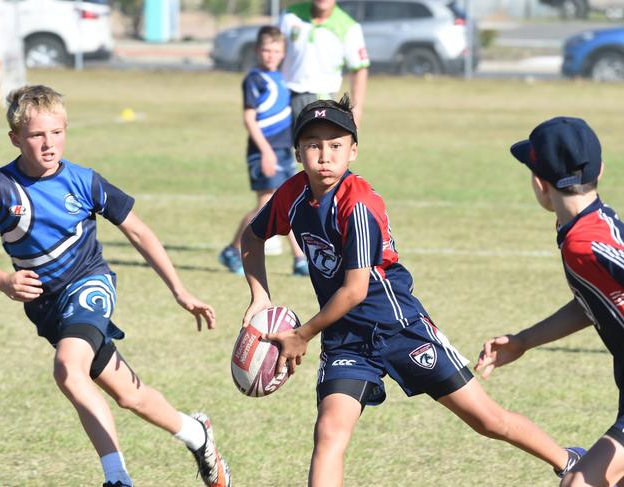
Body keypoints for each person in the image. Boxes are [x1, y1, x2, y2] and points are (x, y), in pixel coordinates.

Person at [239, 96, 586, 486]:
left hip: (401, 329)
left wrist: (302, 335)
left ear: (353, 150)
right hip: (345, 340)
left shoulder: (358, 205)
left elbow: (355, 290)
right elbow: (252, 236)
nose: (324, 155)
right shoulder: (293, 194)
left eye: (335, 145)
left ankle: (570, 461)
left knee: (487, 420)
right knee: (329, 435)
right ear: (299, 152)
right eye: (313, 145)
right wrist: (260, 295)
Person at [0, 85, 231, 487]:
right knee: (130, 396)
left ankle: (117, 479)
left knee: (68, 370)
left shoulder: (84, 181)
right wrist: (2, 280)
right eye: (37, 135)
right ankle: (197, 434)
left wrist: (180, 290)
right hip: (47, 308)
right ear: (15, 139)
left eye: (57, 132)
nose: (49, 144)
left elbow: (139, 231)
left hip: (89, 286)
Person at [475, 116, 624, 487]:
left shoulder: (586, 241)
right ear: (600, 170)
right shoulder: (579, 230)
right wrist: (524, 340)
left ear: (539, 183)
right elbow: (591, 304)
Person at [218, 25, 308, 277]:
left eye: (276, 50)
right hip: (263, 150)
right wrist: (266, 151)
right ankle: (232, 249)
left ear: (283, 53)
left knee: (285, 203)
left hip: (282, 149)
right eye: (266, 50)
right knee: (266, 205)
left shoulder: (283, 77)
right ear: (257, 51)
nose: (270, 55)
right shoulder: (254, 79)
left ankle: (300, 258)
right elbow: (249, 118)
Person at [279, 0, 369, 125]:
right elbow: (275, 51)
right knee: (278, 144)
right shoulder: (290, 15)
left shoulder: (349, 26)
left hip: (319, 98)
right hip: (284, 94)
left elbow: (359, 69)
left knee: (311, 143)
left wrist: (357, 110)